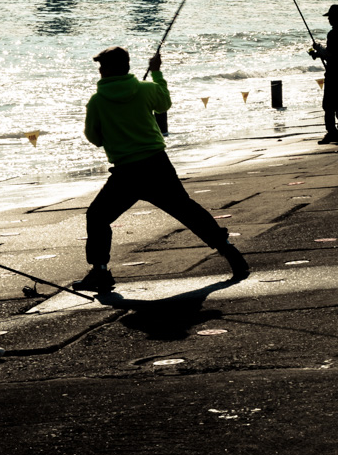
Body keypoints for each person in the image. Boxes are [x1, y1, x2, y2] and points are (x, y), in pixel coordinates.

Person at [74, 47, 249, 293]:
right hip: (157, 165)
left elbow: (94, 137)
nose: (100, 71)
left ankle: (100, 272)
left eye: (102, 67)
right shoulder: (145, 90)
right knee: (188, 211)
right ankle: (232, 255)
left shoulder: (97, 101)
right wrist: (156, 73)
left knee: (97, 217)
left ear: (111, 69)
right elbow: (164, 103)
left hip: (126, 171)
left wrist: (113, 133)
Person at [309, 4, 338, 144]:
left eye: (330, 17)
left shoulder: (334, 33)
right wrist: (320, 53)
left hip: (334, 70)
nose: (329, 20)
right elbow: (335, 54)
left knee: (328, 104)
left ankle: (332, 132)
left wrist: (319, 51)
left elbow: (331, 55)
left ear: (337, 17)